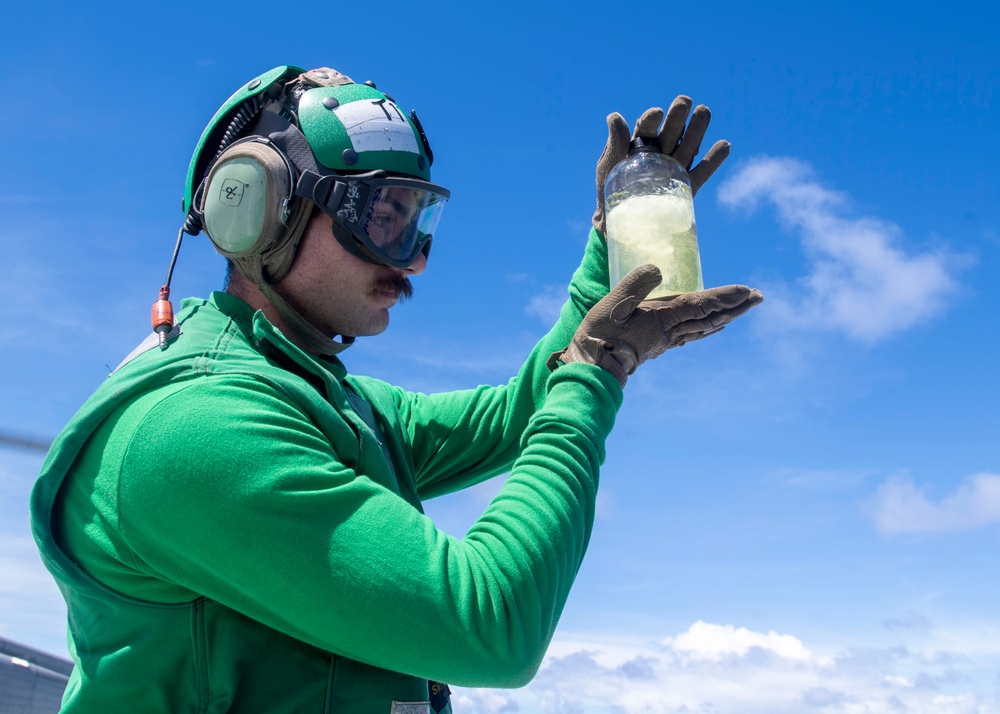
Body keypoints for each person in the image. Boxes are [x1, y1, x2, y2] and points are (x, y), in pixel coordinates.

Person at [30, 65, 762, 713]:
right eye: (380, 218)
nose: (411, 263)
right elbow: (488, 627)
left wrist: (614, 244)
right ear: (252, 209)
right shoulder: (195, 425)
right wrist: (598, 371)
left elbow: (516, 415)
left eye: (418, 224)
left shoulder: (327, 399)